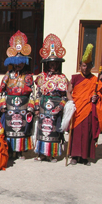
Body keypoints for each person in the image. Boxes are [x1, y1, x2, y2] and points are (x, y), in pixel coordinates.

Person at [67, 44, 102, 166]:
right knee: (76, 133)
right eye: (83, 65)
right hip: (77, 109)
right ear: (80, 66)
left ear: (91, 67)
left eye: (88, 66)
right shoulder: (75, 78)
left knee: (87, 133)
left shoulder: (94, 80)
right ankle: (74, 156)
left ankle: (85, 157)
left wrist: (97, 98)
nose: (85, 68)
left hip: (88, 110)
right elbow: (68, 92)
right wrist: (72, 102)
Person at [0, 30, 35, 160]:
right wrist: (2, 104)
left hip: (23, 106)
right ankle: (11, 150)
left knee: (22, 128)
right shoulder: (8, 75)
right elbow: (2, 90)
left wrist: (31, 107)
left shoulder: (29, 75)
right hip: (10, 106)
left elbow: (32, 93)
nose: (18, 65)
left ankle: (20, 151)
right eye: (16, 62)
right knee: (10, 128)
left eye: (21, 62)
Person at [33, 34, 69, 162]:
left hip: (56, 107)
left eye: (55, 64)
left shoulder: (62, 78)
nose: (53, 66)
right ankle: (42, 154)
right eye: (50, 63)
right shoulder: (41, 77)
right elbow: (37, 93)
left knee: (54, 131)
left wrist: (60, 107)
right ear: (47, 64)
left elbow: (65, 97)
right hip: (43, 107)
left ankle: (52, 154)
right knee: (42, 131)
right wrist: (36, 107)